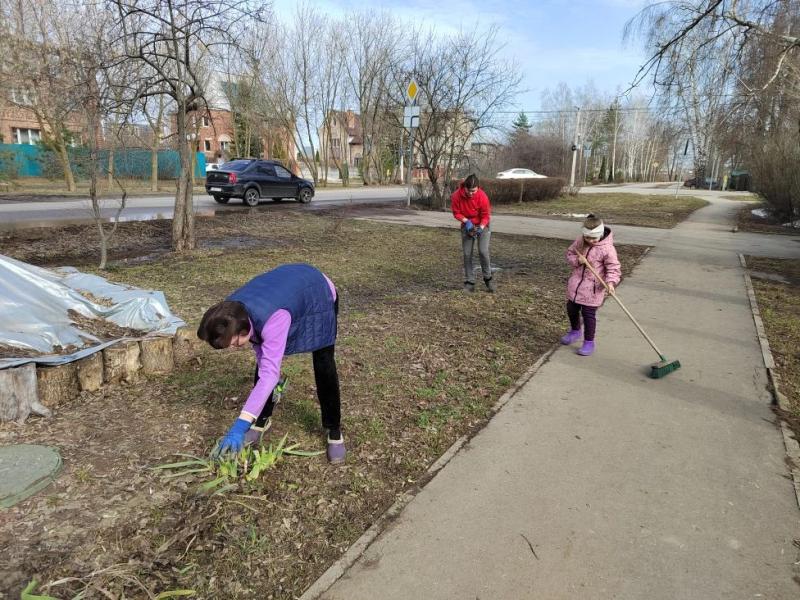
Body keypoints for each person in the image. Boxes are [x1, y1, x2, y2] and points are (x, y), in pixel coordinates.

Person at [197, 263, 345, 464]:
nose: (233, 348)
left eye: (233, 343)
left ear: (243, 329)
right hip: (287, 290)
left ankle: (334, 430)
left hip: (318, 293)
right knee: (265, 366)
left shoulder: (273, 319)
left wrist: (239, 426)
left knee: (324, 362)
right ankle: (261, 420)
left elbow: (269, 375)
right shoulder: (231, 311)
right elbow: (265, 363)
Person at [561, 214, 621, 356]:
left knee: (588, 315)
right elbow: (569, 254)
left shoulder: (607, 249)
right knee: (571, 309)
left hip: (593, 290)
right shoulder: (580, 241)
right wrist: (577, 260)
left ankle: (589, 342)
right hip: (576, 286)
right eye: (587, 237)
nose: (590, 241)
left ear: (600, 234)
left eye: (594, 238)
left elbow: (613, 268)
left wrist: (610, 283)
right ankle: (575, 331)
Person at [451, 173, 495, 293]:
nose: (471, 193)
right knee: (467, 253)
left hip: (482, 224)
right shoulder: (456, 196)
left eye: (473, 191)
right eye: (469, 191)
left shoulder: (482, 196)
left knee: (483, 251)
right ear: (464, 187)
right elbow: (456, 213)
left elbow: (486, 216)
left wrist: (481, 227)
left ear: (478, 188)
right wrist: (466, 221)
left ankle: (488, 278)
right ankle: (469, 282)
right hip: (467, 225)